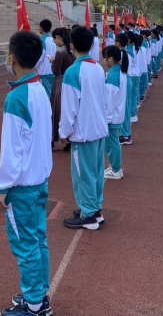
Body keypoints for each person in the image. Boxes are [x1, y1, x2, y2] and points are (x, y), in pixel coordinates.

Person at [0, 31, 53, 316]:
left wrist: (2, 185)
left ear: (12, 59)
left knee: (26, 245)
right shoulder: (39, 88)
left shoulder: (16, 97)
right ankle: (38, 294)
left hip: (22, 186)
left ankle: (34, 305)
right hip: (39, 179)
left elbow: (13, 148)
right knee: (38, 240)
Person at [59, 26, 108, 230]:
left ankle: (88, 214)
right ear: (91, 46)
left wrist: (64, 132)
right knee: (96, 172)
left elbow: (69, 107)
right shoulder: (98, 68)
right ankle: (94, 208)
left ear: (71, 45)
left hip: (84, 132)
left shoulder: (73, 71)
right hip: (98, 129)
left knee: (83, 175)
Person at [103, 45, 128, 179]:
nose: (103, 61)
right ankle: (114, 166)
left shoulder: (113, 75)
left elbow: (110, 100)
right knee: (113, 143)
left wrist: (106, 119)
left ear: (110, 59)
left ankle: (116, 169)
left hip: (112, 116)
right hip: (117, 114)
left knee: (112, 143)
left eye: (105, 58)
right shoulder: (119, 71)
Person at [50, 27, 75, 150]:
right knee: (68, 110)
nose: (54, 41)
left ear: (58, 37)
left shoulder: (60, 52)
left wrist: (53, 63)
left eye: (54, 39)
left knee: (56, 110)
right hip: (70, 81)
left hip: (59, 82)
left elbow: (56, 71)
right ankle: (68, 140)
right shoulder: (72, 51)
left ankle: (53, 138)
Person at [37, 19, 56, 98]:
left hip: (44, 73)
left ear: (41, 28)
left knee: (46, 97)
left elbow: (40, 56)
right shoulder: (53, 40)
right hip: (52, 72)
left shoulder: (42, 41)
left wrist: (32, 65)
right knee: (52, 96)